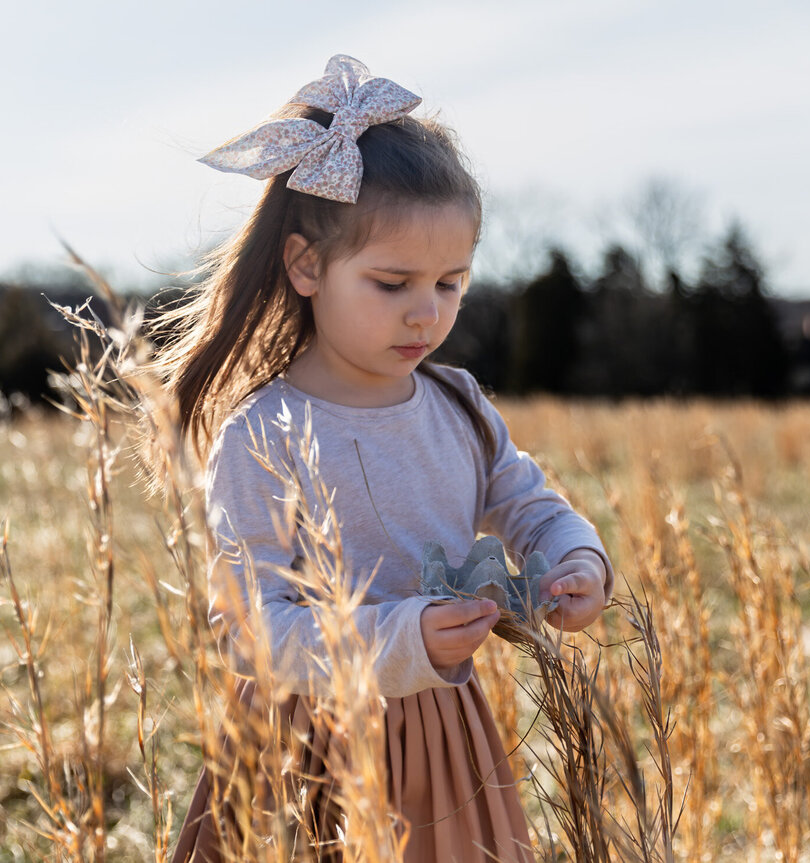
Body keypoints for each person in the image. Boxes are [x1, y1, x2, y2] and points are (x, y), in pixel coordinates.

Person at [158, 55, 613, 863]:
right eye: (393, 281)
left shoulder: (459, 404)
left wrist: (572, 559)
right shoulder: (264, 430)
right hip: (307, 748)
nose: (427, 312)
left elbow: (529, 503)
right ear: (307, 265)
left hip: (444, 742)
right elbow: (254, 633)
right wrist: (405, 637)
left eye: (451, 282)